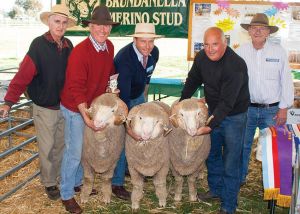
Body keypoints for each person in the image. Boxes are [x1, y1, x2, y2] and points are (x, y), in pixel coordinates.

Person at [0, 5, 75, 200]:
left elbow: (74, 76)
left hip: (64, 106)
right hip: (44, 107)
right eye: (56, 21)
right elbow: (23, 75)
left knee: (61, 145)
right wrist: (9, 101)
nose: (60, 26)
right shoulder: (38, 46)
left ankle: (58, 178)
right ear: (49, 23)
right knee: (47, 146)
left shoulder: (68, 45)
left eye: (64, 22)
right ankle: (49, 183)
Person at [180, 27, 250, 214]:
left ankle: (228, 205)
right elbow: (193, 79)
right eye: (206, 45)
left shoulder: (235, 65)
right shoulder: (202, 57)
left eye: (215, 44)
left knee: (231, 159)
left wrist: (208, 126)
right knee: (212, 154)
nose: (210, 49)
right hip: (213, 110)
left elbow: (227, 103)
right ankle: (216, 189)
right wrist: (181, 103)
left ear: (224, 43)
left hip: (234, 115)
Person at [59, 5, 119, 214]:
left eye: (107, 26)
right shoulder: (80, 52)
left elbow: (110, 72)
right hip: (75, 106)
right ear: (91, 27)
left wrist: (112, 89)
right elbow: (75, 88)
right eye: (98, 26)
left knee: (83, 148)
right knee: (74, 151)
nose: (103, 30)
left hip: (92, 106)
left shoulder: (109, 47)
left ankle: (76, 183)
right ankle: (66, 194)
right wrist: (85, 115)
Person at [237, 13, 294, 185]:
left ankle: (272, 184)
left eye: (262, 28)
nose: (258, 31)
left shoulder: (278, 52)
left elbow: (286, 80)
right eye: (254, 28)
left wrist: (284, 107)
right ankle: (239, 179)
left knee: (272, 147)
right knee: (242, 146)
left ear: (269, 32)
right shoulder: (241, 52)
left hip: (273, 110)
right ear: (249, 31)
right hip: (247, 109)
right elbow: (234, 80)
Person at [112, 22, 162, 200]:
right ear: (134, 40)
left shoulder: (153, 53)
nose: (147, 46)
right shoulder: (124, 60)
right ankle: (116, 183)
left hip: (139, 95)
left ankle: (132, 167)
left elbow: (147, 78)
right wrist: (127, 126)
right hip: (123, 99)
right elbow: (124, 98)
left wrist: (144, 104)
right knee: (123, 138)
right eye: (143, 42)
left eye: (151, 41)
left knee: (144, 132)